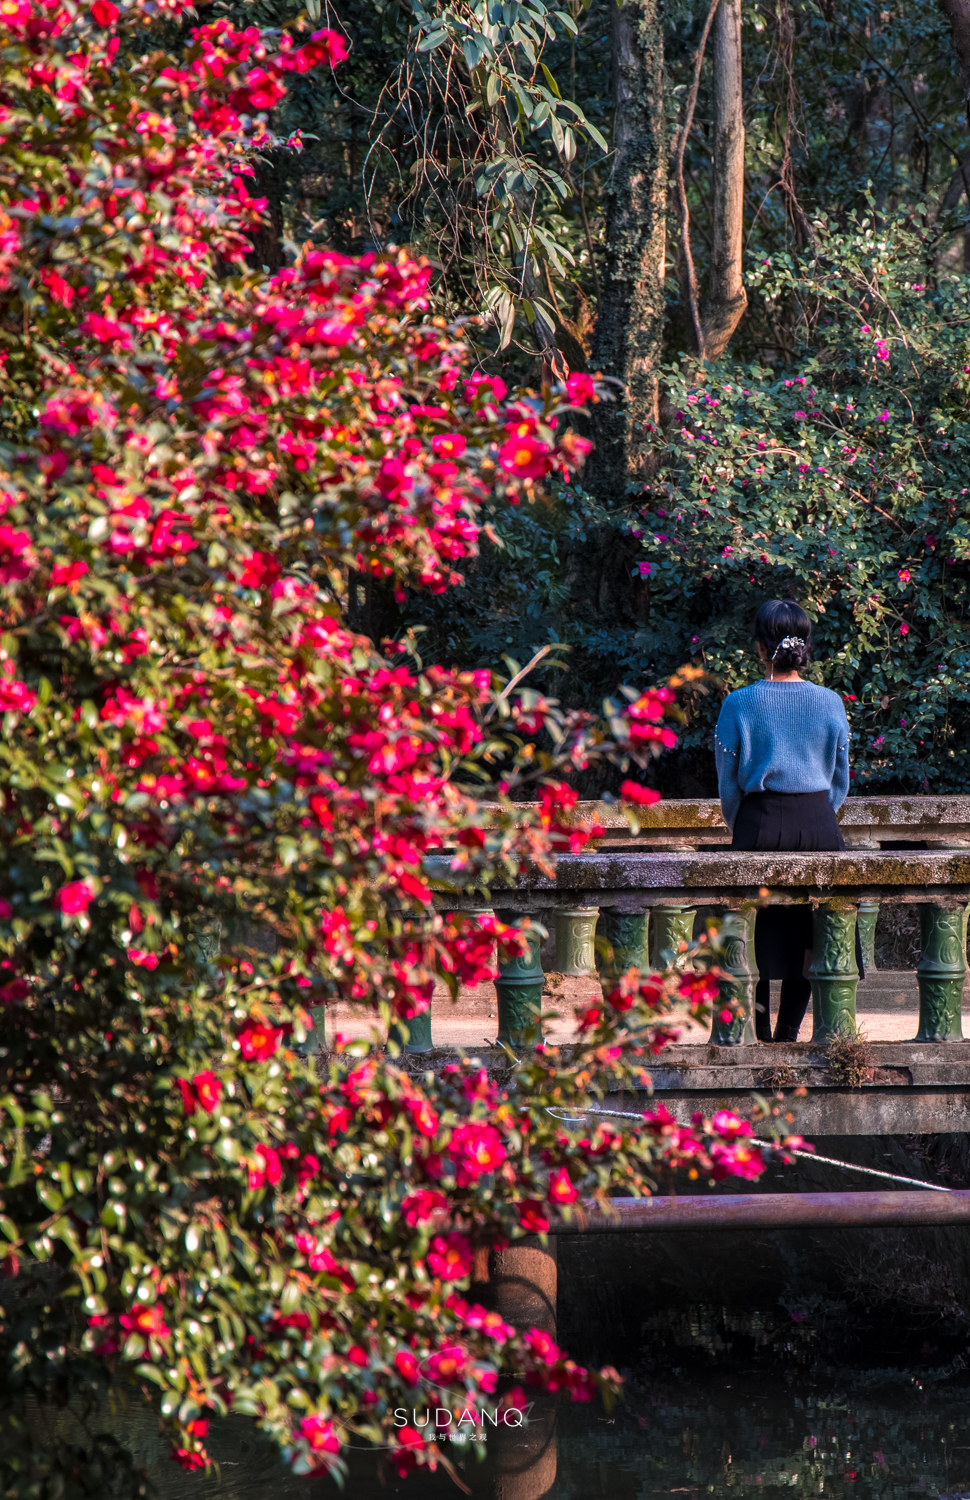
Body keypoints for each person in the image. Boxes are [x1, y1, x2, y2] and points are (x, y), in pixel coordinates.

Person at [714, 599, 857, 1043]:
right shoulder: (830, 702)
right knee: (813, 935)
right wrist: (818, 814)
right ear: (805, 646)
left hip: (757, 822)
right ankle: (788, 1034)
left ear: (760, 647)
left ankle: (756, 1035)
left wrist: (746, 825)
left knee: (750, 935)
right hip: (818, 824)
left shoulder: (739, 703)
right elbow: (840, 779)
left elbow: (728, 787)